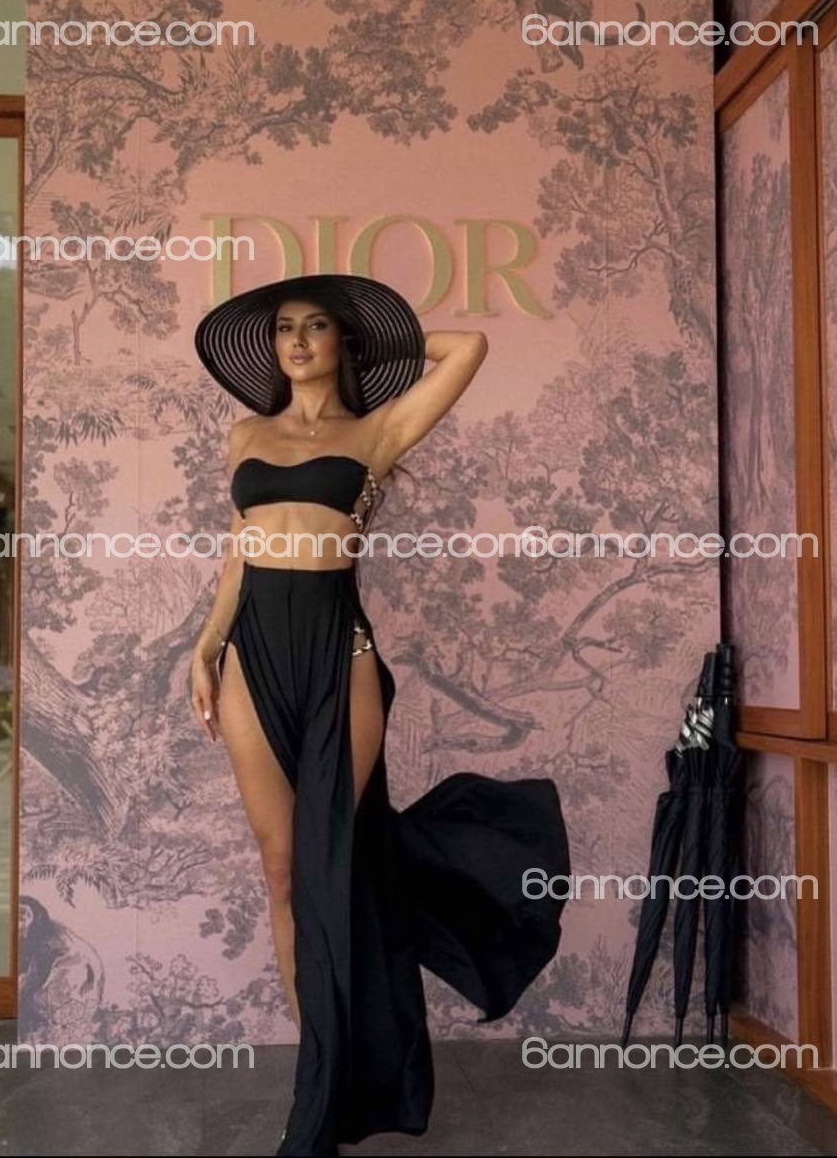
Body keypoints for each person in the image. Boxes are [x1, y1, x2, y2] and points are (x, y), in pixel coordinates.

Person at [190, 273, 570, 1157]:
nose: (297, 341)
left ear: (341, 343)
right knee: (283, 867)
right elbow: (240, 551)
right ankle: (318, 1080)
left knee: (335, 860)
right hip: (253, 649)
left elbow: (468, 347)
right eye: (284, 328)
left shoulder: (380, 430)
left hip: (340, 649)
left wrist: (377, 334)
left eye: (317, 326)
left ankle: (326, 1097)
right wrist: (204, 646)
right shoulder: (245, 433)